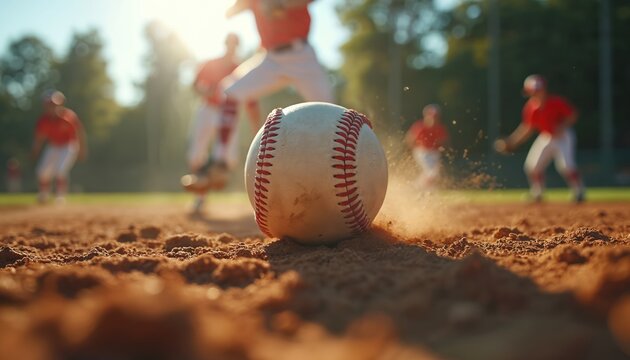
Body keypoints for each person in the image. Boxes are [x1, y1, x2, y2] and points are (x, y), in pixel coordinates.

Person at [183, 33, 260, 214]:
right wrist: (206, 91)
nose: (231, 47)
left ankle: (214, 177)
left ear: (237, 47)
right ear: (225, 44)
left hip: (228, 112)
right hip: (208, 109)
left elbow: (250, 100)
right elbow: (195, 84)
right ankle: (200, 196)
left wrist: (256, 127)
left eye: (235, 44)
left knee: (226, 156)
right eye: (229, 43)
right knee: (196, 152)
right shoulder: (211, 64)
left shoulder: (240, 70)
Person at [494, 74, 586, 202]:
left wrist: (562, 126)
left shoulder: (555, 102)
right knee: (532, 166)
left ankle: (579, 192)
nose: (535, 94)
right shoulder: (531, 108)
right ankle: (538, 193)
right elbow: (527, 129)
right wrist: (512, 141)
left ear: (544, 90)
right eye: (532, 91)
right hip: (547, 136)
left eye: (537, 91)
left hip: (563, 136)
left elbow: (573, 115)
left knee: (566, 166)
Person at [31, 90, 87, 204]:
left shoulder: (68, 116)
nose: (51, 107)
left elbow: (79, 133)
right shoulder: (44, 121)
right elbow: (39, 139)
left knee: (60, 170)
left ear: (60, 104)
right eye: (49, 105)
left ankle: (60, 196)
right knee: (42, 172)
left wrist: (82, 149)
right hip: (53, 146)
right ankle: (44, 195)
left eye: (53, 104)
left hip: (68, 145)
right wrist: (35, 151)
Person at [404, 104, 449, 189]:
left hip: (434, 154)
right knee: (431, 173)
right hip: (422, 152)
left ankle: (425, 190)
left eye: (435, 117)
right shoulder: (420, 126)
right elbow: (410, 138)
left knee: (434, 175)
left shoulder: (440, 128)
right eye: (431, 116)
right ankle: (416, 188)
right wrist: (413, 150)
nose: (433, 119)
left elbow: (444, 142)